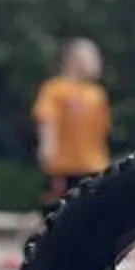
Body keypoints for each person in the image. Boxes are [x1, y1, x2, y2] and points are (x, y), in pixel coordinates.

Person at [33, 38, 113, 213]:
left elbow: (102, 131)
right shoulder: (55, 89)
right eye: (91, 57)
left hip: (94, 167)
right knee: (57, 217)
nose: (97, 63)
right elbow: (47, 118)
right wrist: (47, 146)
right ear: (73, 60)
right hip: (63, 167)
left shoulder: (97, 94)